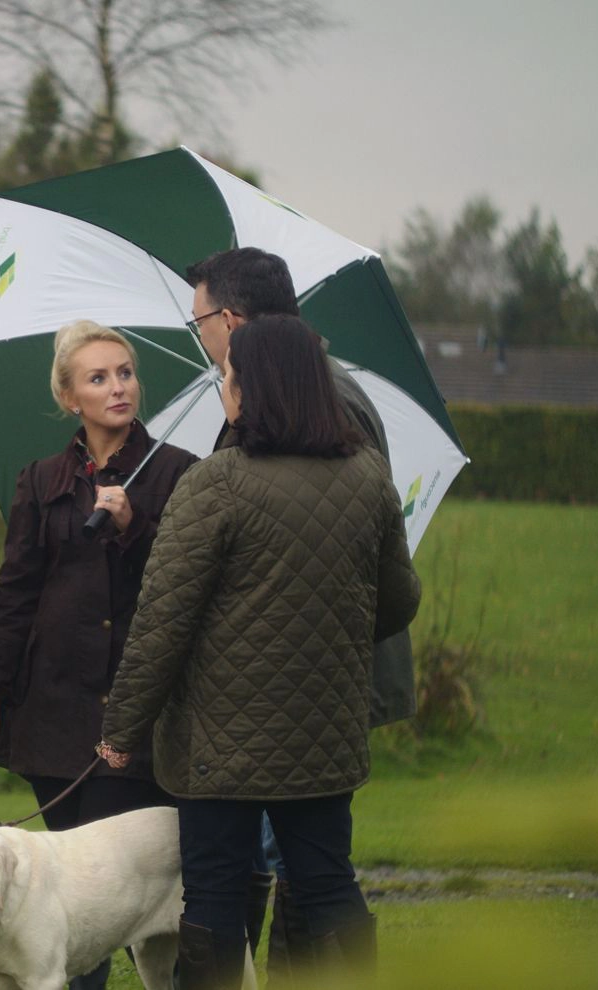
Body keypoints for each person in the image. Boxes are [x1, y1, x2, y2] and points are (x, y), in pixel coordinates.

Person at [98, 314, 422, 989]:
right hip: (325, 735)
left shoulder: (217, 484)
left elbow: (163, 621)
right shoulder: (367, 477)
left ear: (253, 388)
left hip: (221, 744)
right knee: (331, 886)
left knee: (214, 895)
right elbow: (399, 602)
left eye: (228, 375)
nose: (223, 386)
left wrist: (121, 730)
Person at [185, 247, 418, 981]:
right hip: (293, 680)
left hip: (298, 684)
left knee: (300, 869)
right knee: (291, 864)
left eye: (197, 324)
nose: (199, 340)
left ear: (231, 319)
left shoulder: (327, 401)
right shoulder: (292, 393)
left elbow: (353, 569)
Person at [0, 319, 198, 990]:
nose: (118, 387)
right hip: (53, 708)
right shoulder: (41, 482)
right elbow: (16, 589)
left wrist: (135, 528)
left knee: (114, 893)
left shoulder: (180, 474)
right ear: (70, 396)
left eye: (124, 373)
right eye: (98, 377)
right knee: (56, 888)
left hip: (137, 711)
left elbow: (190, 584)